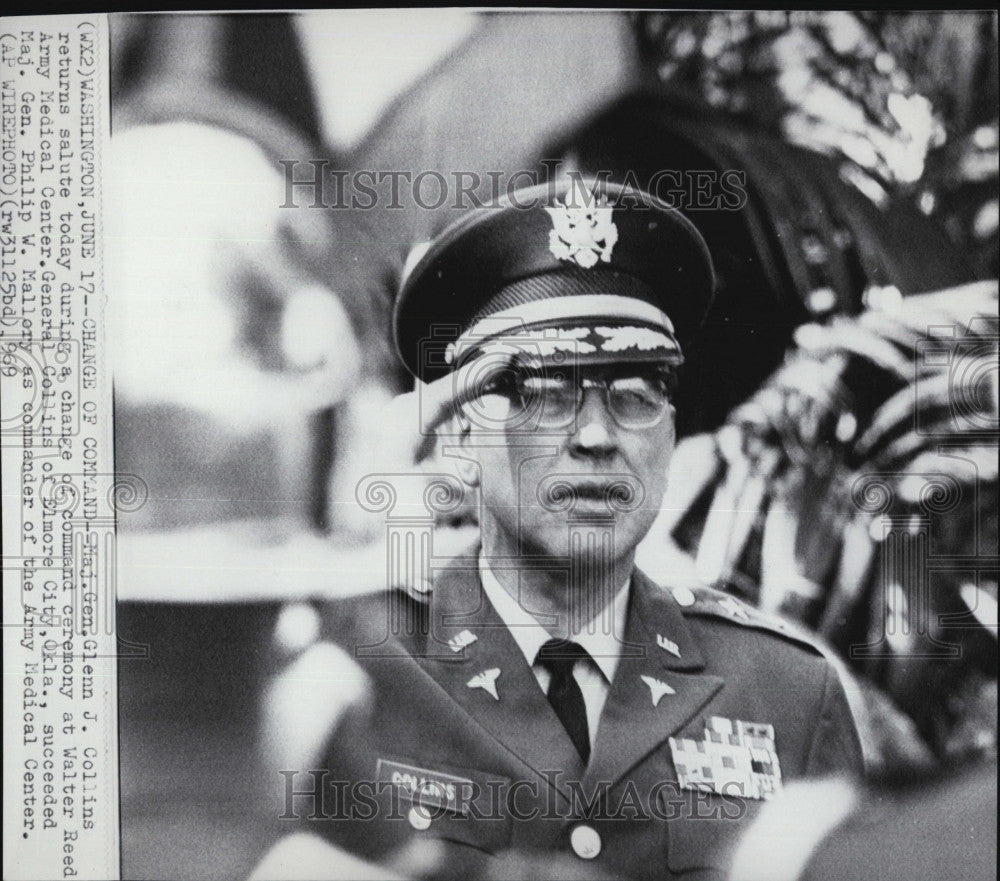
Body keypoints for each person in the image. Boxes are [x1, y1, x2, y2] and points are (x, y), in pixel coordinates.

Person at [304, 179, 864, 881]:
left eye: (636, 393)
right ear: (458, 434)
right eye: (545, 392)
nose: (597, 435)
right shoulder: (356, 665)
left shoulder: (787, 692)